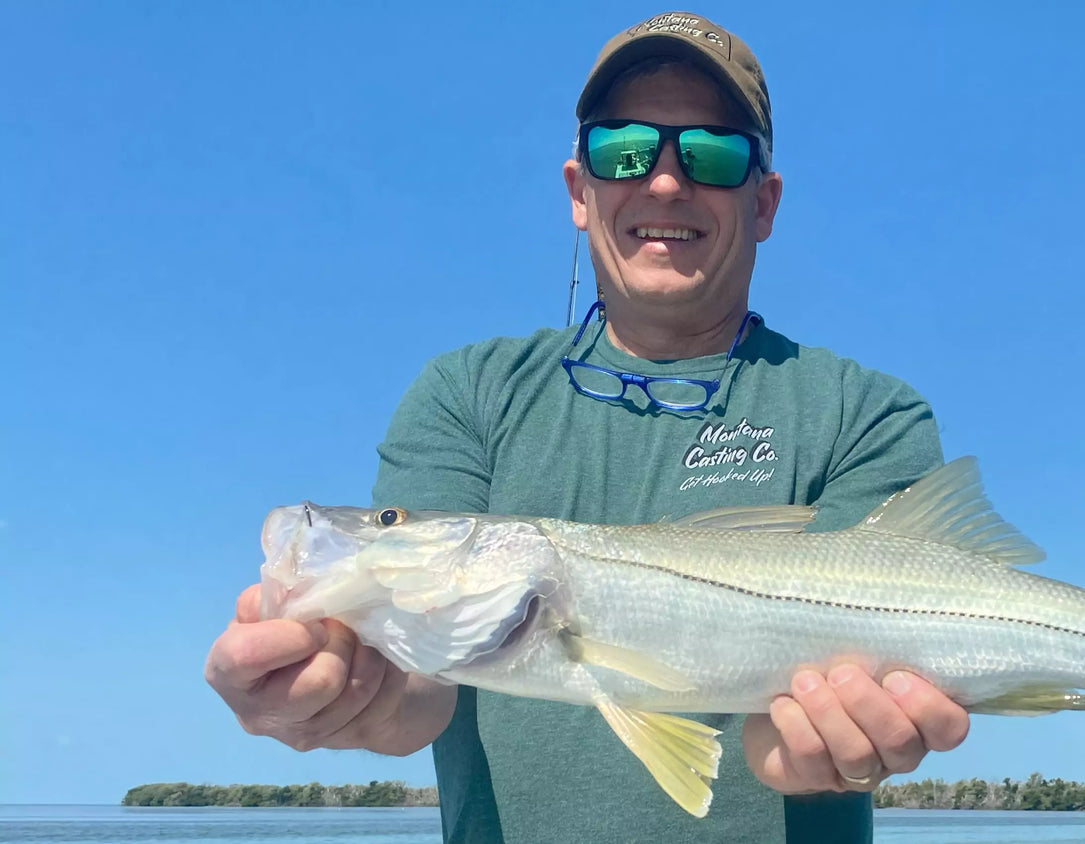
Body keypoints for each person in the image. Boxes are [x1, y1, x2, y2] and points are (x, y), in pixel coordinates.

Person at [205, 11, 970, 843]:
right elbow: (420, 694)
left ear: (764, 203)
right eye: (624, 150)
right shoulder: (468, 392)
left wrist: (835, 747)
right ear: (580, 191)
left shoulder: (868, 413)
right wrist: (362, 698)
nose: (666, 183)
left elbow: (840, 707)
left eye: (713, 153)